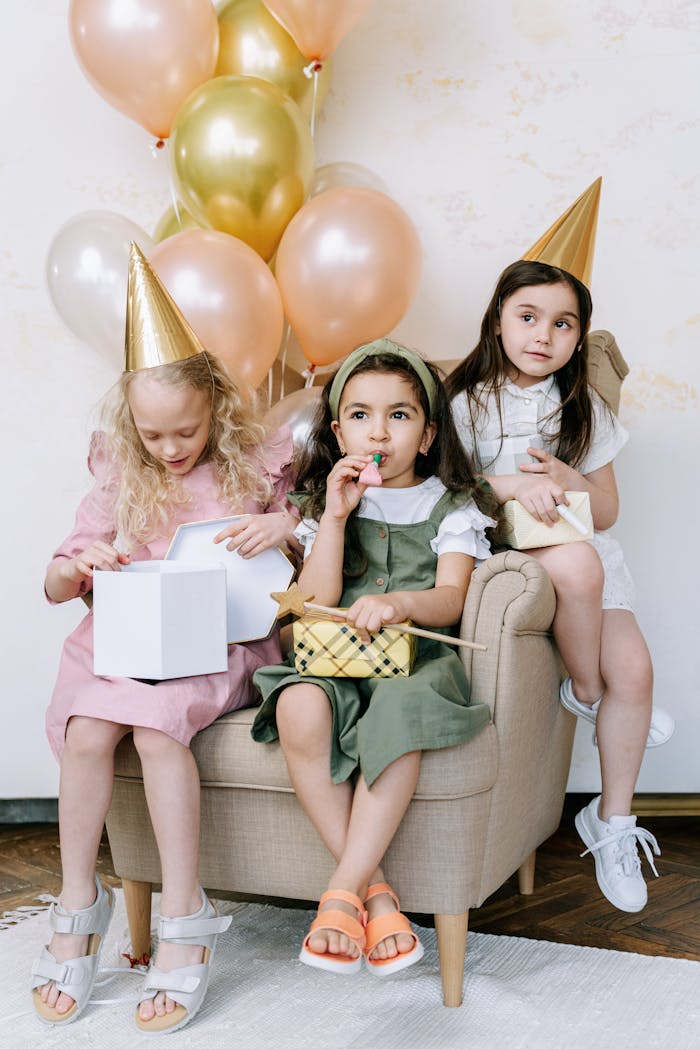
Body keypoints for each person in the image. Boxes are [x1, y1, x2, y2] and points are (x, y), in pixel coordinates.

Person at [31, 245, 299, 1033]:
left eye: (185, 431)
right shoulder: (121, 469)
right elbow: (53, 582)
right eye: (154, 436)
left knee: (151, 735)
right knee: (87, 730)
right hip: (127, 637)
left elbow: (311, 548)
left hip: (215, 638)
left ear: (215, 403)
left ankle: (186, 912)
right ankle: (81, 900)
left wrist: (282, 523)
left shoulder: (253, 462)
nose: (172, 449)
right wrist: (83, 563)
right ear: (129, 423)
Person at [251, 338, 500, 975]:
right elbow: (316, 599)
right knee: (300, 705)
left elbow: (449, 597)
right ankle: (376, 893)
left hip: (412, 662)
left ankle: (340, 895)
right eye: (360, 416)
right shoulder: (323, 505)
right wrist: (334, 518)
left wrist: (399, 605)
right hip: (337, 661)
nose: (379, 432)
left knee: (396, 712)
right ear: (338, 432)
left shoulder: (450, 504)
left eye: (399, 415)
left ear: (427, 434)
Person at [447, 239, 674, 913]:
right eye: (528, 316)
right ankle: (585, 690)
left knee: (635, 670)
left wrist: (573, 480)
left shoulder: (584, 409)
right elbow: (447, 486)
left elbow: (604, 510)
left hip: (586, 552)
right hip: (514, 556)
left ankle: (613, 821)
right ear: (498, 321)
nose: (543, 334)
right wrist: (512, 483)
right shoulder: (465, 402)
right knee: (575, 566)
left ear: (578, 338)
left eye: (562, 323)